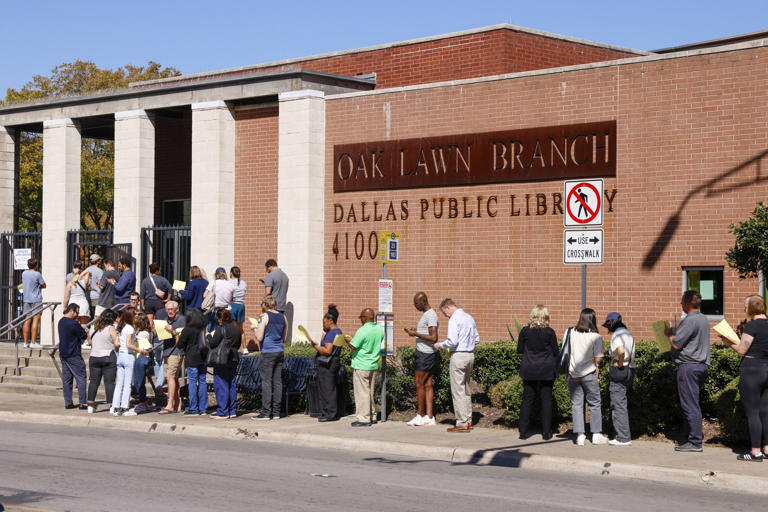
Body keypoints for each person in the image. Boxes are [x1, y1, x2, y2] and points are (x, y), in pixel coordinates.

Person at [721, 295, 768, 461]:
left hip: (752, 370)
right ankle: (767, 449)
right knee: (765, 411)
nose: (743, 309)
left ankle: (755, 452)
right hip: (766, 368)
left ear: (752, 308)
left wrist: (729, 342)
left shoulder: (752, 325)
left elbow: (742, 349)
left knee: (753, 413)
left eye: (745, 306)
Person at [665, 290, 711, 452]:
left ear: (688, 303)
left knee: (690, 405)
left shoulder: (690, 320)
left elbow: (677, 344)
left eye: (682, 302)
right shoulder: (703, 319)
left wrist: (669, 334)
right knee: (692, 403)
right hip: (700, 365)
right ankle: (689, 436)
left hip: (689, 366)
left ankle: (695, 441)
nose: (680, 305)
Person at [434, 298, 479, 433]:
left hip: (458, 355)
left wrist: (440, 345)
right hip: (470, 355)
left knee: (457, 390)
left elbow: (452, 341)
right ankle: (469, 419)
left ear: (448, 307)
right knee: (465, 388)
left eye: (444, 313)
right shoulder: (469, 318)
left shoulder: (454, 319)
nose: (446, 316)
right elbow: (477, 338)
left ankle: (462, 422)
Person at [565, 308, 607, 446]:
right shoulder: (596, 336)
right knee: (594, 404)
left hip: (573, 373)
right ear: (593, 319)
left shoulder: (569, 332)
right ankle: (596, 435)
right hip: (589, 373)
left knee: (577, 405)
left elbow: (565, 351)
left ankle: (580, 435)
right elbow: (598, 358)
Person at [517, 304, 559, 440]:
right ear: (546, 316)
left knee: (527, 399)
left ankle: (523, 431)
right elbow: (556, 352)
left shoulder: (525, 331)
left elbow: (520, 350)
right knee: (546, 400)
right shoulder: (549, 332)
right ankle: (546, 432)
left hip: (529, 369)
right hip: (546, 370)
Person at [404, 292, 439, 427]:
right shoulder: (427, 315)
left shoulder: (430, 315)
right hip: (428, 354)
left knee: (419, 383)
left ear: (424, 301)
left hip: (425, 355)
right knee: (428, 384)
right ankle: (429, 417)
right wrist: (416, 330)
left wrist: (416, 334)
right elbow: (428, 333)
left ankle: (421, 415)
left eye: (416, 303)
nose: (415, 306)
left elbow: (433, 337)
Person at [344, 308, 384, 427]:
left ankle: (364, 418)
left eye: (361, 318)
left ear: (365, 318)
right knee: (370, 393)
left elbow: (353, 346)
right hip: (373, 365)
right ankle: (372, 415)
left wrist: (347, 340)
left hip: (361, 365)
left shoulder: (362, 330)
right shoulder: (379, 329)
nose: (360, 320)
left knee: (362, 393)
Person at [602, 312, 636, 447]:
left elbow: (621, 351)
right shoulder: (627, 333)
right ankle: (623, 435)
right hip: (631, 370)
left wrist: (619, 363)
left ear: (611, 324)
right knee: (622, 403)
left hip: (620, 370)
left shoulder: (617, 335)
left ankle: (622, 438)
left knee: (618, 405)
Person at [251, 295, 287, 421]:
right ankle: (276, 412)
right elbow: (284, 339)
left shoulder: (264, 316)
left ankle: (266, 412)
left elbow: (259, 337)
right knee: (277, 382)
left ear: (265, 305)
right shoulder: (283, 317)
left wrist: (255, 328)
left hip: (268, 352)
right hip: (279, 351)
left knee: (266, 382)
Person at [111, 307, 145, 416]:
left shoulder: (122, 327)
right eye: (135, 314)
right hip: (128, 356)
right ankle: (125, 407)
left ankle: (115, 406)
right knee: (127, 384)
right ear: (130, 315)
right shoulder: (130, 328)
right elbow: (128, 344)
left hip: (120, 355)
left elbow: (124, 341)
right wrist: (140, 350)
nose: (136, 316)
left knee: (119, 383)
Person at [311, 304, 342, 422]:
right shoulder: (337, 331)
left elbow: (327, 351)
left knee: (326, 389)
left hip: (326, 365)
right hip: (334, 363)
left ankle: (329, 413)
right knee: (330, 388)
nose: (323, 324)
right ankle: (329, 412)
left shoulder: (331, 334)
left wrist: (315, 346)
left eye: (324, 322)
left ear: (330, 320)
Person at [208, 309, 241, 419]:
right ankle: (232, 410)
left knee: (221, 384)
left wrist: (208, 336)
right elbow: (239, 344)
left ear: (221, 319)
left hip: (222, 359)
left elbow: (213, 344)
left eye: (218, 318)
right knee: (232, 384)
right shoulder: (236, 328)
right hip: (234, 358)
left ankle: (223, 411)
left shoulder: (220, 328)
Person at [176, 309, 208, 416]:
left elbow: (180, 345)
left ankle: (193, 408)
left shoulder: (187, 330)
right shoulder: (202, 328)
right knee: (202, 382)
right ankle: (203, 408)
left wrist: (177, 335)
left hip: (191, 357)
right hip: (203, 357)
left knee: (193, 382)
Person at [86, 309, 119, 413]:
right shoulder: (111, 328)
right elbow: (116, 343)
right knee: (109, 382)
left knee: (94, 382)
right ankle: (111, 406)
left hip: (94, 357)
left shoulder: (93, 328)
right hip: (108, 356)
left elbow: (90, 341)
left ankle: (90, 405)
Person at [157, 301, 186, 414]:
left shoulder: (181, 320)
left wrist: (173, 331)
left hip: (176, 351)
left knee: (170, 377)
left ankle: (169, 405)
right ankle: (177, 404)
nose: (169, 311)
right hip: (167, 351)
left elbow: (181, 339)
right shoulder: (165, 320)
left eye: (171, 309)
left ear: (177, 310)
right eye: (168, 309)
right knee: (173, 378)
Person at [57, 304, 88, 410]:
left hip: (64, 354)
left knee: (67, 379)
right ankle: (83, 403)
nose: (77, 315)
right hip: (73, 354)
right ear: (71, 311)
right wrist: (84, 329)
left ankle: (68, 402)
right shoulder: (74, 324)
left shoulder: (61, 321)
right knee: (81, 378)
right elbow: (83, 335)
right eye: (77, 312)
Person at [130, 312, 153, 413]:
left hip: (141, 357)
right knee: (139, 381)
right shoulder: (145, 331)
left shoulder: (143, 333)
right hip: (141, 358)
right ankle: (143, 403)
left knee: (139, 382)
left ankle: (143, 402)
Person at [21, 257, 46, 348]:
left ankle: (25, 342)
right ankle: (33, 342)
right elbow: (44, 285)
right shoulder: (37, 274)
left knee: (27, 320)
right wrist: (38, 286)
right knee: (36, 319)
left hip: (26, 299)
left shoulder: (24, 273)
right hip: (36, 299)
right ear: (36, 265)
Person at [203, 267, 235, 332]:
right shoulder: (231, 284)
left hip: (215, 310)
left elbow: (204, 295)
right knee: (225, 331)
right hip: (227, 310)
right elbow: (233, 299)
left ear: (216, 274)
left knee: (213, 331)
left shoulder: (213, 282)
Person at [230, 266, 247, 338]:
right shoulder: (243, 283)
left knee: (232, 329)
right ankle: (245, 348)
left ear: (231, 273)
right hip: (241, 306)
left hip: (233, 306)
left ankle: (233, 347)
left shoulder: (229, 282)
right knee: (241, 330)